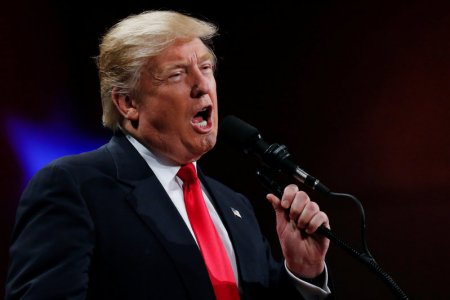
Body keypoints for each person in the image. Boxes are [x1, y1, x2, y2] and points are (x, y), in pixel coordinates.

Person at [5, 10, 332, 300]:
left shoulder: (236, 208)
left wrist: (302, 273)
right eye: (177, 73)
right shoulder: (76, 188)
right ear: (128, 103)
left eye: (205, 67)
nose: (202, 85)